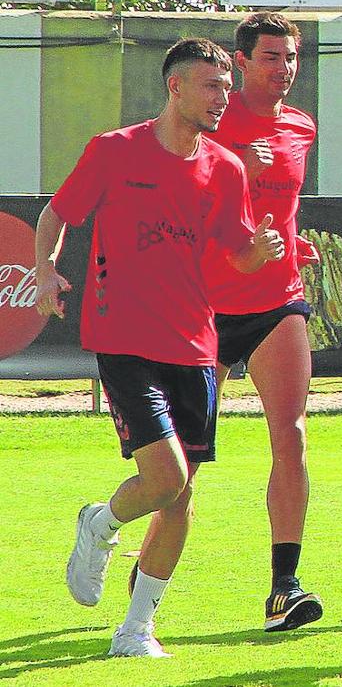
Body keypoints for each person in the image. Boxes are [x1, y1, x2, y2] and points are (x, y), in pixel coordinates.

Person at [39, 38, 284, 657]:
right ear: (175, 88)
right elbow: (58, 212)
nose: (222, 99)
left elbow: (237, 252)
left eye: (227, 88)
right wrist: (44, 268)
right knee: (165, 477)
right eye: (210, 87)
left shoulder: (226, 167)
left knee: (180, 493)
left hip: (197, 343)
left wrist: (264, 251)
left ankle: (137, 628)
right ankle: (101, 524)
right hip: (124, 338)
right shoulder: (114, 150)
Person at [201, 12, 322, 632]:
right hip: (207, 303)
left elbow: (285, 207)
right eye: (271, 57)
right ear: (241, 62)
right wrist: (230, 167)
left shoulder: (303, 125)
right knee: (181, 464)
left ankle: (284, 586)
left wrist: (295, 247)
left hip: (279, 298)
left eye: (290, 58)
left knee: (292, 436)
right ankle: (112, 528)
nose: (283, 69)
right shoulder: (210, 123)